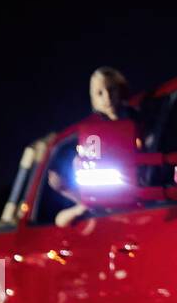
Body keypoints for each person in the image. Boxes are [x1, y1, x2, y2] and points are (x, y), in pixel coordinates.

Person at [50, 67, 139, 227]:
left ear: (121, 90)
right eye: (99, 93)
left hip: (137, 197)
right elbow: (92, 192)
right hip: (105, 201)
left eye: (111, 89)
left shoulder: (140, 121)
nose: (107, 97)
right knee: (62, 219)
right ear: (93, 99)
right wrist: (65, 188)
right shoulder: (90, 135)